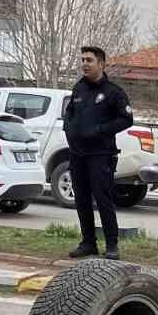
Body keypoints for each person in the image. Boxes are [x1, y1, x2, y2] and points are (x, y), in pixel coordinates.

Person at [61, 45, 134, 259]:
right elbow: (69, 115)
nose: (84, 64)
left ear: (101, 64)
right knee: (81, 199)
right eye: (82, 60)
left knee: (103, 199)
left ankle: (111, 245)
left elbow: (126, 119)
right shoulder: (78, 89)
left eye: (89, 60)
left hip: (100, 154)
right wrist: (70, 132)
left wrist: (100, 130)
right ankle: (88, 243)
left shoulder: (113, 92)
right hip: (78, 154)